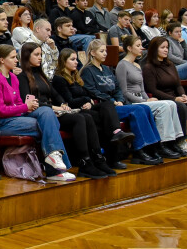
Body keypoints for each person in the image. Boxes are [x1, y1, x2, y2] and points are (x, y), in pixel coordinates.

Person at [18, 42, 122, 178]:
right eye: (37, 55)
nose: (40, 57)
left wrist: (63, 104)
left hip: (54, 111)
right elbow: (30, 101)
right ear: (27, 56)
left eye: (41, 54)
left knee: (87, 117)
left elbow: (55, 94)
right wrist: (55, 107)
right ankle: (85, 162)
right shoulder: (22, 76)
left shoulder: (40, 74)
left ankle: (97, 158)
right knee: (79, 118)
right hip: (40, 114)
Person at [0, 45, 76, 182]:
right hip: (3, 123)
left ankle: (53, 160)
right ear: (2, 60)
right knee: (49, 124)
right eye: (13, 57)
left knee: (46, 112)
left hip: (18, 118)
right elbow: (1, 110)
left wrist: (28, 107)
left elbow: (18, 102)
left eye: (16, 57)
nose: (16, 60)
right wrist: (24, 107)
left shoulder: (13, 78)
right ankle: (54, 170)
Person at [79, 40, 165, 165]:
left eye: (106, 51)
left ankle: (153, 146)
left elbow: (118, 88)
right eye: (101, 51)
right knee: (137, 110)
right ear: (92, 53)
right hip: (104, 108)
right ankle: (139, 150)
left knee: (145, 108)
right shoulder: (88, 71)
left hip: (116, 103)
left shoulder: (107, 69)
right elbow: (92, 91)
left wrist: (119, 99)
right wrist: (113, 101)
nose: (105, 54)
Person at [115, 35, 187, 158]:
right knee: (164, 106)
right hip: (131, 102)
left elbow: (142, 89)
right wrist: (144, 100)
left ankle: (174, 140)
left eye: (141, 45)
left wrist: (147, 99)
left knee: (171, 104)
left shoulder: (137, 65)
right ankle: (163, 143)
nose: (141, 48)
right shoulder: (122, 65)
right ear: (129, 48)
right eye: (138, 46)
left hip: (142, 98)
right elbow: (124, 92)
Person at [144, 37, 187, 153]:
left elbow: (178, 85)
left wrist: (183, 95)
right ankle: (181, 140)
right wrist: (174, 98)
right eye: (162, 48)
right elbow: (152, 90)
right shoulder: (149, 68)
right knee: (181, 107)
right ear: (155, 49)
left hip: (176, 96)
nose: (166, 50)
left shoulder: (170, 65)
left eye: (167, 47)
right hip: (162, 99)